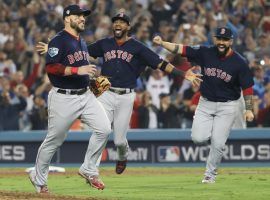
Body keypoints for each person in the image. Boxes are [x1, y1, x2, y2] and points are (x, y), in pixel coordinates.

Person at [36, 12, 202, 175]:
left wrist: (183, 73)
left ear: (128, 26)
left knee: (119, 141)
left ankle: (123, 155)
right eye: (116, 21)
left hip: (126, 95)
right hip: (105, 91)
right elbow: (81, 54)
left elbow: (160, 63)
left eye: (122, 22)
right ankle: (91, 170)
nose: (118, 24)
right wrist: (54, 50)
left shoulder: (138, 47)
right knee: (101, 130)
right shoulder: (105, 44)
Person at [153, 27, 254, 183]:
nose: (221, 42)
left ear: (231, 42)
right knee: (198, 138)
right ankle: (215, 136)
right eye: (219, 38)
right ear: (215, 39)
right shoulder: (205, 52)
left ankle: (210, 174)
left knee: (218, 143)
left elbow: (247, 87)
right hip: (206, 103)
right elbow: (181, 49)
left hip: (228, 106)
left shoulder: (239, 62)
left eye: (225, 39)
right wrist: (162, 43)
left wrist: (249, 109)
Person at [29, 4, 111, 193]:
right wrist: (77, 69)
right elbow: (51, 68)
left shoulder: (80, 41)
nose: (83, 18)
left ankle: (88, 169)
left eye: (84, 16)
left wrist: (90, 79)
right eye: (78, 16)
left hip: (86, 95)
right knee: (54, 140)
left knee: (104, 129)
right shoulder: (59, 40)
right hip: (63, 98)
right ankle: (38, 178)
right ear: (67, 18)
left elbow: (74, 63)